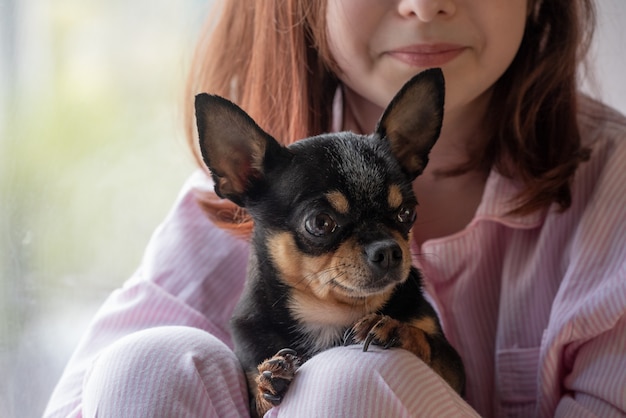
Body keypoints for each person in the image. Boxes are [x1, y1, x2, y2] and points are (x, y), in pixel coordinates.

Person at [44, 0, 626, 417]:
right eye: (321, 224)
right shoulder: (255, 186)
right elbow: (88, 396)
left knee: (349, 383)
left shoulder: (611, 180)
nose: (426, 6)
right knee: (146, 362)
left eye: (399, 217)